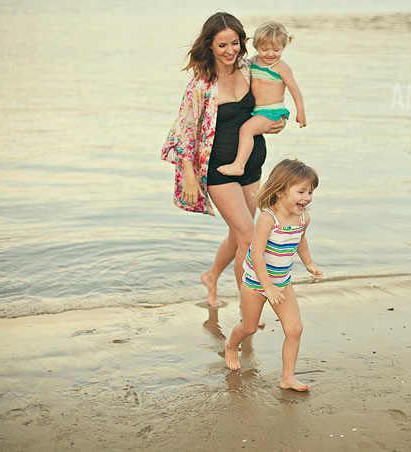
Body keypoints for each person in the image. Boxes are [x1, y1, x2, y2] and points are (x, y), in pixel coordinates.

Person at [161, 13, 285, 308]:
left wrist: (275, 121)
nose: (230, 51)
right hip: (218, 171)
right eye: (222, 45)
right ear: (210, 46)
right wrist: (190, 175)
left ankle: (211, 276)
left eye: (235, 43)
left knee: (238, 234)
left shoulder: (247, 68)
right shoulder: (201, 85)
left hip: (251, 166)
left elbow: (268, 99)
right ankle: (249, 308)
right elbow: (183, 132)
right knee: (249, 236)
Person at [224, 159, 322, 392]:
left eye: (310, 192)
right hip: (256, 283)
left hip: (282, 283)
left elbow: (301, 240)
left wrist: (309, 263)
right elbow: (256, 254)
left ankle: (287, 377)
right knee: (248, 328)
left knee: (295, 329)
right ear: (280, 191)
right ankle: (230, 345)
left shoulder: (303, 219)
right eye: (301, 192)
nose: (306, 198)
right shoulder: (268, 218)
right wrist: (267, 287)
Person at [216, 21, 306, 177]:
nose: (270, 54)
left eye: (276, 50)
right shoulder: (252, 62)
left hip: (272, 111)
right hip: (257, 112)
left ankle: (239, 165)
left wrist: (301, 112)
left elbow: (294, 89)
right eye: (265, 49)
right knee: (247, 129)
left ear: (283, 48)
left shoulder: (280, 67)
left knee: (246, 129)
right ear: (256, 47)